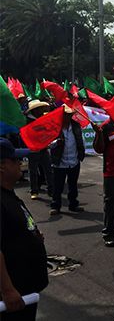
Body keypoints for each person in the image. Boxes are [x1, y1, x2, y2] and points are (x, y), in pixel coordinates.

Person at [0, 138, 48, 321]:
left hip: (25, 291)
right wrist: (7, 289)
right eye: (15, 160)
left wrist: (32, 236)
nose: (20, 163)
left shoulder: (8, 193)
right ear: (2, 166)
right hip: (14, 296)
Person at [49, 105, 85, 215]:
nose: (67, 117)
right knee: (58, 186)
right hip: (59, 161)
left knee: (73, 185)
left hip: (74, 160)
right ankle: (56, 206)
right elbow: (48, 144)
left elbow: (81, 140)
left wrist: (80, 154)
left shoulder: (76, 126)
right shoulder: (55, 127)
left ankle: (73, 204)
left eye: (69, 115)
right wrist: (56, 142)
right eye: (65, 115)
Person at [24, 100, 54, 200]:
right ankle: (34, 190)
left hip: (43, 147)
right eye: (40, 108)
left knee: (48, 169)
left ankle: (51, 190)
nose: (42, 110)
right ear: (35, 110)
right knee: (33, 170)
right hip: (33, 149)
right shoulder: (27, 121)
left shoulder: (43, 118)